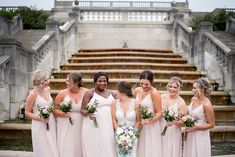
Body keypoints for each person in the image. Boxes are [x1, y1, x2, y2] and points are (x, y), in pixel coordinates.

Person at [81, 72, 117, 157]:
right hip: (93, 124)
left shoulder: (111, 93)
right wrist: (89, 113)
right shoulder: (90, 93)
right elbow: (82, 109)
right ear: (95, 82)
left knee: (108, 144)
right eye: (99, 81)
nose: (102, 83)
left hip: (108, 124)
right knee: (95, 145)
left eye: (104, 81)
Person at [25, 69, 59, 157]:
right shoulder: (33, 94)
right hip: (39, 123)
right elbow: (27, 112)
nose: (48, 81)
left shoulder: (48, 89)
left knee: (52, 144)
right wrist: (40, 118)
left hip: (50, 121)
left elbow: (50, 105)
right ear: (40, 81)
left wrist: (51, 110)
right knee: (42, 147)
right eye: (46, 80)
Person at [54, 72, 87, 157]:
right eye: (66, 81)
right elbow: (55, 109)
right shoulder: (62, 93)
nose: (67, 83)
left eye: (69, 81)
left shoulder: (86, 92)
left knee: (80, 143)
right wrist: (62, 114)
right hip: (66, 123)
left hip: (82, 123)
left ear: (76, 83)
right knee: (67, 144)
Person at [133, 70, 162, 157]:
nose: (143, 86)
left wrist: (150, 121)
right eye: (141, 83)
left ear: (151, 82)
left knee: (150, 149)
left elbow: (159, 112)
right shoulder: (137, 90)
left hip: (150, 125)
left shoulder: (154, 93)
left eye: (146, 84)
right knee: (139, 147)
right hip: (138, 123)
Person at [183, 77, 215, 157]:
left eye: (194, 88)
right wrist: (184, 118)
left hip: (200, 135)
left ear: (202, 89)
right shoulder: (193, 99)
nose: (192, 90)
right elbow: (189, 114)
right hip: (190, 133)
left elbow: (211, 124)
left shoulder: (207, 104)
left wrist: (196, 127)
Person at [111, 81, 141, 157]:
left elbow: (138, 121)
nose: (115, 92)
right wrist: (119, 133)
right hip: (119, 135)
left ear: (122, 91)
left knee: (132, 154)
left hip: (132, 135)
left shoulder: (136, 103)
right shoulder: (114, 103)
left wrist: (133, 134)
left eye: (117, 90)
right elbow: (114, 120)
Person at [160, 76, 187, 157]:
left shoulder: (181, 103)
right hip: (160, 128)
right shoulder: (162, 97)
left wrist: (173, 122)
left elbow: (183, 123)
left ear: (179, 88)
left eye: (175, 87)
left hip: (173, 132)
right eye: (170, 86)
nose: (172, 89)